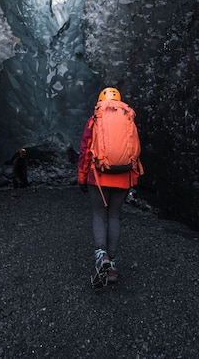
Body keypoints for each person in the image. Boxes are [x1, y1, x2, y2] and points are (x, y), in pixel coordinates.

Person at [78, 87, 142, 288]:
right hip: (122, 177)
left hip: (99, 176)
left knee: (99, 214)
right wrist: (133, 179)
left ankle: (101, 255)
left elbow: (85, 151)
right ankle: (111, 263)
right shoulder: (128, 118)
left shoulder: (95, 119)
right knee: (114, 215)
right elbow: (135, 150)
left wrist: (82, 177)